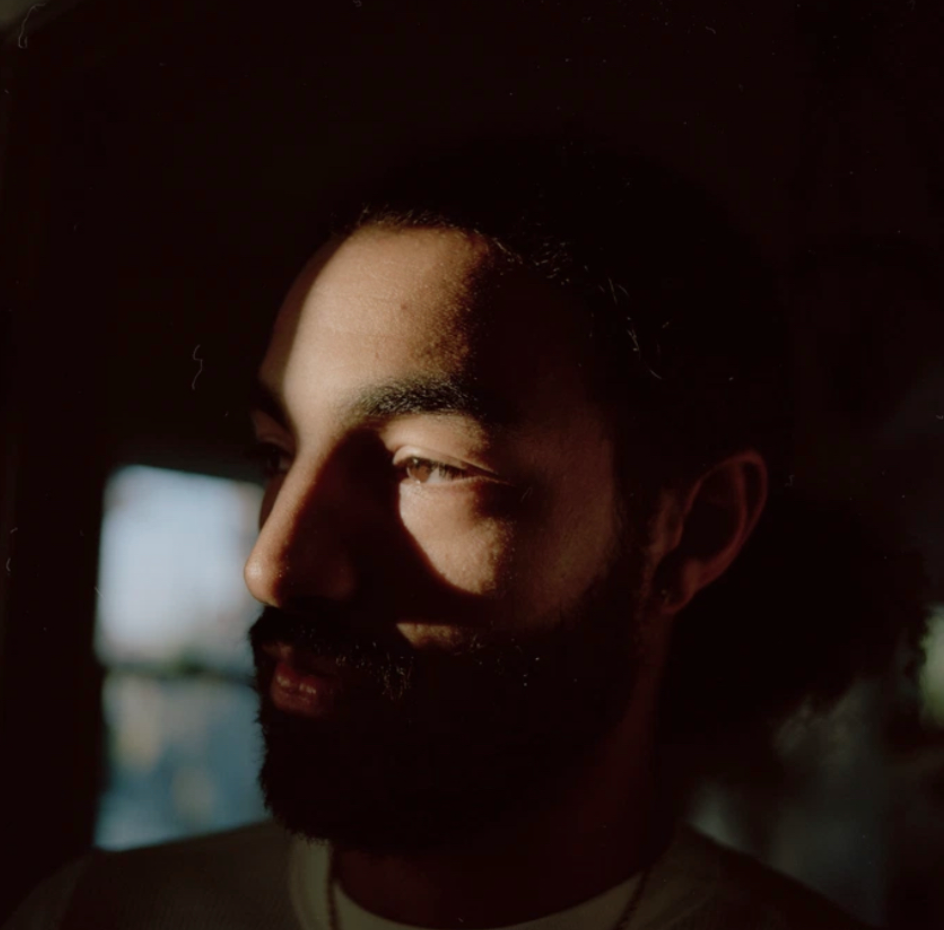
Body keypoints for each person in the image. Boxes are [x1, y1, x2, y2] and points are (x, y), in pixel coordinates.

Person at [5, 136, 926, 930]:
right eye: (276, 454)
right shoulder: (96, 916)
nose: (273, 566)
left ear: (692, 531)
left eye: (427, 467)